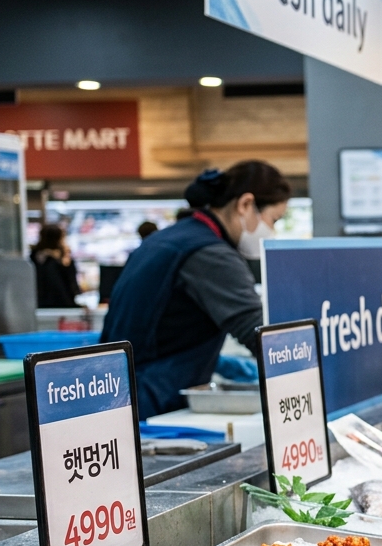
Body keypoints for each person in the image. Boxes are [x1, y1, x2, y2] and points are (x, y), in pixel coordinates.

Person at [101, 161, 289, 418]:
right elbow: (262, 334)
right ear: (245, 204)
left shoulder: (169, 239)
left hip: (117, 395)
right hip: (152, 401)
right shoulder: (210, 253)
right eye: (273, 219)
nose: (272, 230)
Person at [31, 224, 81, 308]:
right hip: (64, 305)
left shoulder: (34, 259)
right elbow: (72, 286)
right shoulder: (64, 261)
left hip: (39, 305)